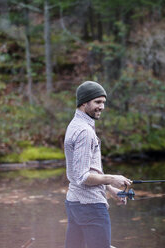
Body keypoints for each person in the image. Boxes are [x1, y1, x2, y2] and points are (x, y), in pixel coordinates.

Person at [64, 81, 132, 248]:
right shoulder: (84, 132)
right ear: (84, 102)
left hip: (74, 202)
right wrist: (111, 179)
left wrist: (109, 189)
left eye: (103, 102)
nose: (101, 107)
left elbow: (87, 169)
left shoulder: (75, 124)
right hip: (90, 206)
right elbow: (83, 176)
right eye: (97, 102)